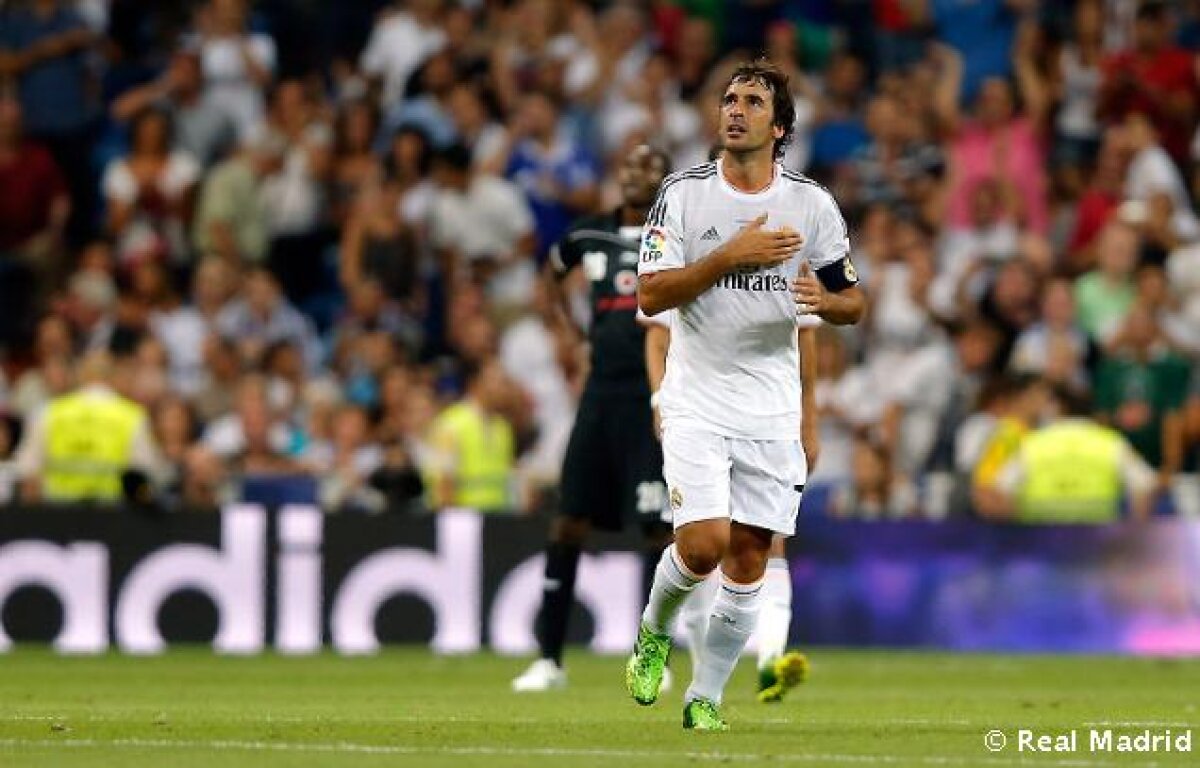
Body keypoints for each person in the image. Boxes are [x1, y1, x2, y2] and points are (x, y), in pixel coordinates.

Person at [629, 60, 865, 731]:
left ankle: (704, 697)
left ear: (779, 125)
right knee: (703, 544)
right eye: (729, 100)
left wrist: (827, 302)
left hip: (771, 409)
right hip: (697, 398)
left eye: (753, 102)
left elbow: (852, 302)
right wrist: (729, 256)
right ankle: (654, 631)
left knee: (751, 557)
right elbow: (651, 294)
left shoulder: (811, 205)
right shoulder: (682, 194)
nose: (735, 110)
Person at [511, 145, 674, 693]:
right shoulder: (589, 234)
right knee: (568, 522)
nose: (636, 175)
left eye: (649, 168)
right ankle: (548, 660)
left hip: (652, 394)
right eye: (629, 166)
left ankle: (655, 658)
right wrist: (568, 334)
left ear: (664, 181)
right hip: (600, 392)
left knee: (657, 530)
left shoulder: (674, 237)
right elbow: (551, 272)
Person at [643, 305, 820, 704]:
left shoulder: (793, 266)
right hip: (698, 417)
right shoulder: (688, 267)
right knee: (701, 546)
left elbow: (808, 333)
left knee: (763, 544)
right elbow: (656, 333)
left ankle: (766, 663)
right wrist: (658, 401)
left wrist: (809, 420)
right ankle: (683, 652)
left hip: (767, 419)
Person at [13, 350, 163, 504]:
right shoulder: (131, 416)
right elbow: (145, 471)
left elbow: (27, 471)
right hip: (112, 511)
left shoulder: (50, 412)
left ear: (80, 376)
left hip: (58, 510)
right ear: (113, 377)